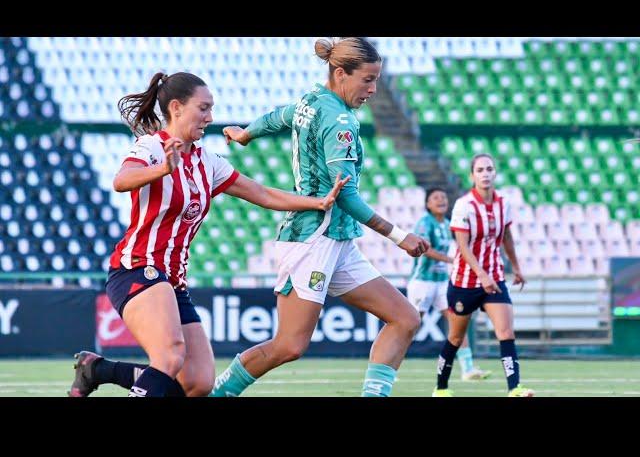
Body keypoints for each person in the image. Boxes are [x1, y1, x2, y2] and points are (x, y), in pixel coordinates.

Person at [68, 71, 349, 397]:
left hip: (173, 281)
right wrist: (162, 170)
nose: (210, 117)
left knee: (198, 382)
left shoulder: (208, 162)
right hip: (137, 267)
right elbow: (121, 180)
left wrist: (317, 202)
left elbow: (262, 194)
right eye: (203, 108)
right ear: (176, 108)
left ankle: (97, 369)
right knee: (170, 357)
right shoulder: (152, 147)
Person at [212, 37, 429, 398]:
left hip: (338, 240)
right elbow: (344, 194)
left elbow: (280, 115)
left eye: (377, 80)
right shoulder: (339, 120)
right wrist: (398, 235)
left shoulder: (311, 100)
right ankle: (217, 393)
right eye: (367, 80)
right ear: (341, 73)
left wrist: (246, 132)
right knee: (289, 346)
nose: (373, 90)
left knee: (405, 318)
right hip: (311, 238)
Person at [432, 153, 534, 397]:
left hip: (495, 278)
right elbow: (462, 245)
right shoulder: (464, 205)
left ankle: (515, 388)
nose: (485, 173)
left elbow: (506, 236)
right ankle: (441, 388)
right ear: (472, 176)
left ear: (495, 173)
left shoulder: (503, 203)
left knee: (506, 332)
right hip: (464, 282)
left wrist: (516, 267)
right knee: (455, 338)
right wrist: (481, 275)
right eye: (480, 170)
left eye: (489, 169)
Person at [406, 187, 491, 381]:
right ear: (428, 204)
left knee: (457, 321)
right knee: (409, 325)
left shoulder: (446, 224)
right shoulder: (424, 223)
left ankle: (468, 369)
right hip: (422, 281)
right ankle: (390, 365)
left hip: (442, 282)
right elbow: (425, 250)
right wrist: (451, 260)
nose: (441, 200)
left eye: (444, 197)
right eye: (435, 197)